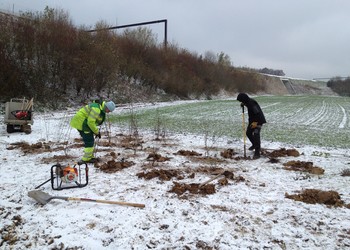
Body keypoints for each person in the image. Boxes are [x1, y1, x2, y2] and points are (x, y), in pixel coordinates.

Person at [237, 93, 266, 159]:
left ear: (244, 99)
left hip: (258, 121)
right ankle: (254, 144)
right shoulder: (247, 102)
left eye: (241, 101)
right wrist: (243, 104)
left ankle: (257, 152)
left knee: (256, 134)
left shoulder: (252, 103)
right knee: (248, 133)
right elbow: (246, 104)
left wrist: (256, 122)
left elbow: (257, 113)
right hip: (252, 121)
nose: (241, 102)